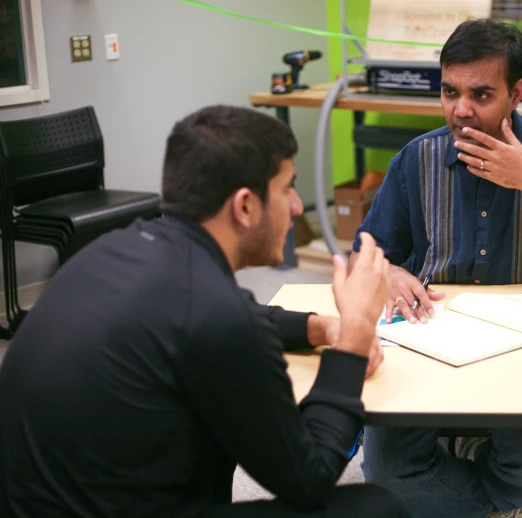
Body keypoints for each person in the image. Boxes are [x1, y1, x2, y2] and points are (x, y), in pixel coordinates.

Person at [0, 105, 411, 518]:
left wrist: (318, 327)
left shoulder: (118, 249)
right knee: (376, 507)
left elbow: (230, 316)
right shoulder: (216, 314)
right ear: (245, 206)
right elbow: (310, 481)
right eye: (287, 188)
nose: (296, 206)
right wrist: (355, 340)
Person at [350, 19, 522, 518]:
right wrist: (387, 272)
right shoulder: (417, 157)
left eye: (481, 94)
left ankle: (469, 473)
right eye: (450, 92)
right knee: (386, 473)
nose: (460, 110)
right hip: (429, 338)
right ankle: (488, 488)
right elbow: (366, 253)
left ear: (517, 93)